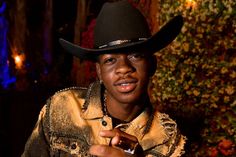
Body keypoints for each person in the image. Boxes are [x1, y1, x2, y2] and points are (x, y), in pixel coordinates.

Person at [22, 1, 186, 156]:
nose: (123, 68)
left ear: (152, 65)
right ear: (99, 72)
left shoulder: (166, 139)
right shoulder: (63, 107)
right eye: (110, 60)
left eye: (136, 55)